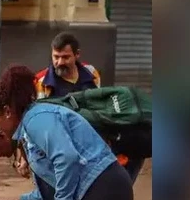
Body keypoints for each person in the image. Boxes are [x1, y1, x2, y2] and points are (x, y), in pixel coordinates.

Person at [0, 65, 133, 200]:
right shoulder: (31, 126)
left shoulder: (36, 119)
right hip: (102, 189)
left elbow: (66, 157)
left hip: (103, 188)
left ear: (8, 112)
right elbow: (60, 181)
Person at [34, 32, 146, 183]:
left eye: (65, 57)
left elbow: (101, 105)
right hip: (64, 145)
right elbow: (41, 121)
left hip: (94, 139)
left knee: (136, 149)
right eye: (56, 57)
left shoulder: (91, 73)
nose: (60, 62)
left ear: (77, 55)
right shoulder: (42, 82)